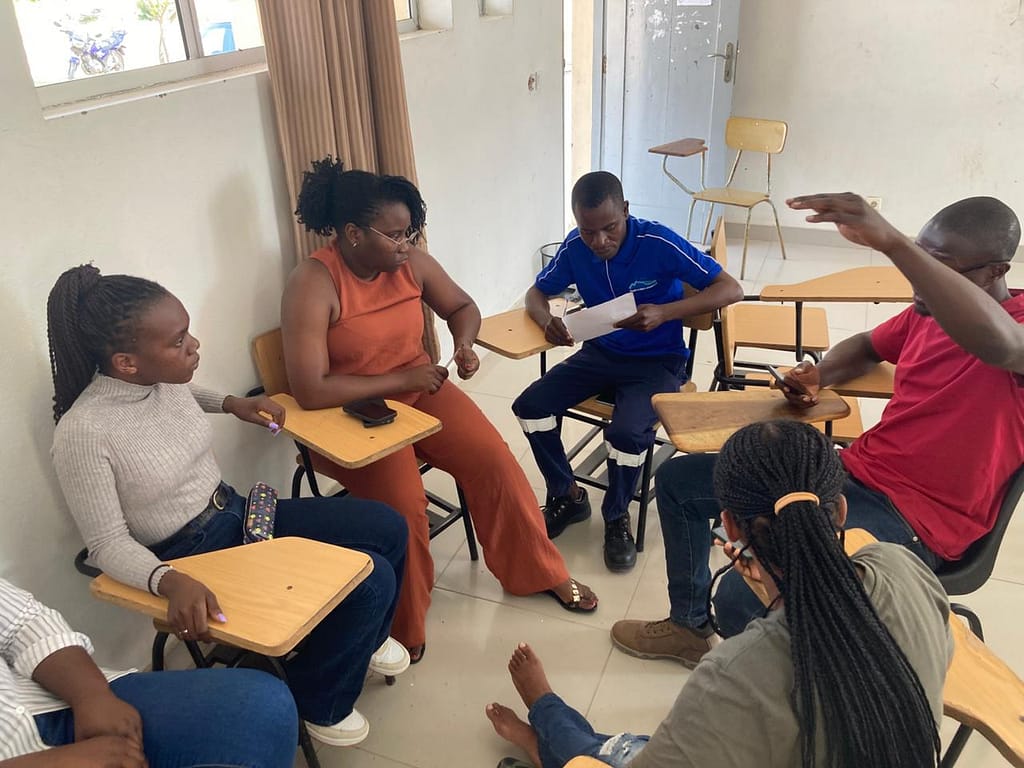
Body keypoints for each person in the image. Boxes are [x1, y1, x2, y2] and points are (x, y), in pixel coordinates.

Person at [612, 193, 1024, 664]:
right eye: (918, 260)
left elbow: (1001, 345)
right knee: (680, 481)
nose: (918, 282)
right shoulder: (925, 313)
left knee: (741, 598)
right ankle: (688, 627)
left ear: (996, 270)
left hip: (919, 522)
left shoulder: (1011, 329)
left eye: (939, 268)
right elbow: (870, 343)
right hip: (852, 473)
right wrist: (820, 373)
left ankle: (803, 688)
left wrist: (893, 243)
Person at [47, 264, 410, 748]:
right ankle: (318, 703)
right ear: (126, 362)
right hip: (194, 555)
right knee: (372, 580)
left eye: (187, 332)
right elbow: (107, 543)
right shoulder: (83, 433)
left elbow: (186, 394)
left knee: (385, 525)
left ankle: (357, 641)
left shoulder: (160, 380)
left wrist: (233, 403)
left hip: (235, 511)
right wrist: (168, 579)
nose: (193, 346)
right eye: (178, 342)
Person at [486, 421, 953, 768]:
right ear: (843, 511)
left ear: (727, 525)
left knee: (607, 753)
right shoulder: (900, 567)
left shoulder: (735, 674)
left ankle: (545, 727)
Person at [280, 157, 599, 663]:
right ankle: (404, 627)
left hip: (418, 390)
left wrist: (465, 343)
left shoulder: (411, 264)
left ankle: (539, 571)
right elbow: (310, 389)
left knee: (495, 461)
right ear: (353, 234)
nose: (406, 244)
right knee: (406, 509)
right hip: (350, 416)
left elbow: (463, 308)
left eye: (410, 231)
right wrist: (402, 378)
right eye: (395, 234)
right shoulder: (313, 283)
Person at [512, 172, 743, 572]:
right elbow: (537, 292)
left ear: (626, 211)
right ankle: (567, 494)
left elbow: (730, 288)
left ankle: (616, 515)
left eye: (609, 228)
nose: (599, 241)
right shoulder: (574, 247)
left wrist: (666, 313)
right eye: (588, 231)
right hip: (601, 352)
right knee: (530, 407)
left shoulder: (658, 242)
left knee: (626, 434)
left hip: (658, 360)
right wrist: (544, 318)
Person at [0, 575, 298, 767]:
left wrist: (91, 696)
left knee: (262, 706)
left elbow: (22, 623)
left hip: (47, 700)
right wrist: (166, 579)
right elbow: (108, 542)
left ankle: (322, 701)